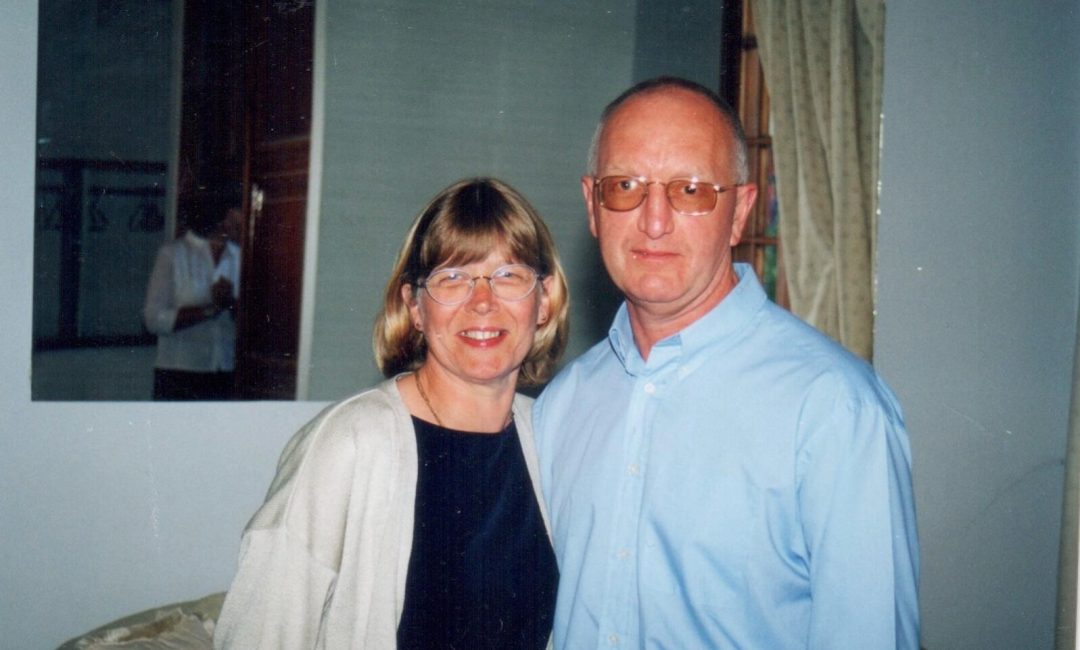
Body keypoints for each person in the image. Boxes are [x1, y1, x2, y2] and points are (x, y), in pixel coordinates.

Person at [533, 77, 919, 648]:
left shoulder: (835, 410)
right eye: (625, 186)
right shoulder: (560, 406)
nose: (654, 219)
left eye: (690, 190)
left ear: (740, 211)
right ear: (593, 205)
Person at [215, 178, 570, 648]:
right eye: (452, 278)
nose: (482, 302)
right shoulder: (348, 444)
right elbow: (261, 634)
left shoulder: (552, 437)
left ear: (543, 300)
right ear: (415, 307)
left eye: (508, 276)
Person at [143, 194, 241, 400]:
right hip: (179, 373)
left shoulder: (241, 256)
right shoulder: (173, 254)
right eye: (234, 213)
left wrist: (230, 305)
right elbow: (153, 319)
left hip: (226, 372)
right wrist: (210, 309)